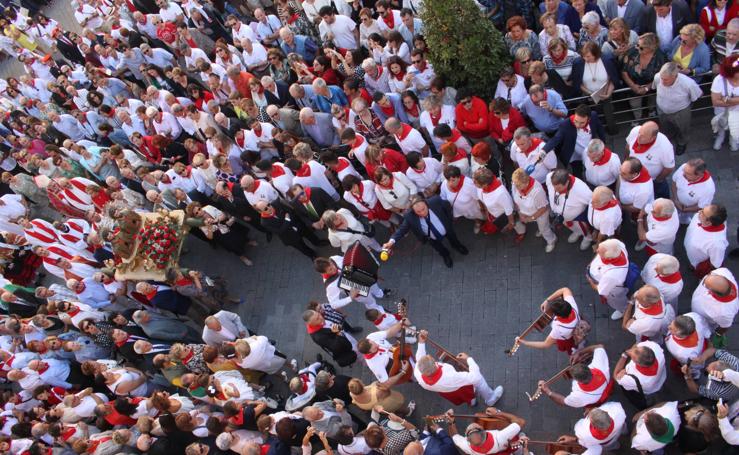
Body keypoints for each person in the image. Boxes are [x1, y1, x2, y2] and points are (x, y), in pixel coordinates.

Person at [414, 329, 503, 406]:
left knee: (464, 397)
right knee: (478, 381)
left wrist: (421, 342)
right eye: (432, 359)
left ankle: (472, 402)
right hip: (457, 385)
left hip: (446, 391)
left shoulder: (418, 371)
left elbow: (419, 359)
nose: (429, 355)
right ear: (435, 365)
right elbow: (475, 377)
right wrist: (468, 359)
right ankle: (490, 398)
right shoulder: (449, 376)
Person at [383, 195, 469, 268]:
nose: (422, 213)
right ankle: (446, 255)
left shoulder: (436, 201)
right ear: (413, 211)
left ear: (426, 204)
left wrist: (449, 221)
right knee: (439, 248)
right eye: (418, 212)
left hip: (447, 229)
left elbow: (447, 207)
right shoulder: (409, 217)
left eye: (423, 209)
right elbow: (401, 230)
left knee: (453, 238)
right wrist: (391, 242)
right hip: (431, 238)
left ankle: (457, 246)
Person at [537, 344, 612, 408]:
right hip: (606, 384)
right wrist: (579, 353)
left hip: (596, 400)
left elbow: (563, 401)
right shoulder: (599, 366)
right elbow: (600, 347)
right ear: (588, 368)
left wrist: (547, 391)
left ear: (577, 380)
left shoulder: (579, 396)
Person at [544, 104, 606, 179]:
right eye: (576, 121)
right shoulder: (565, 124)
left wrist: (603, 146)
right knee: (578, 175)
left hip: (590, 152)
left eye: (582, 123)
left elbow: (600, 130)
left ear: (588, 119)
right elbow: (556, 139)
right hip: (575, 155)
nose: (577, 125)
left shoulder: (593, 116)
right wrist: (543, 151)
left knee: (594, 171)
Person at [654, 62, 703, 155]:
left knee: (683, 129)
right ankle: (667, 138)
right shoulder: (657, 77)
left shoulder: (688, 83)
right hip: (662, 110)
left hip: (680, 111)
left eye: (666, 80)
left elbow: (698, 94)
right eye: (662, 78)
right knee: (665, 127)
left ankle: (682, 143)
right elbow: (655, 86)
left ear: (675, 76)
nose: (662, 82)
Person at [515, 287, 582, 354]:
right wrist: (547, 301)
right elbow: (565, 289)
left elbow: (545, 344)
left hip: (567, 339)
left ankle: (575, 353)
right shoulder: (572, 305)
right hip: (575, 327)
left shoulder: (558, 329)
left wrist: (525, 342)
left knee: (570, 349)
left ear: (558, 316)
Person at [546, 169, 594, 250]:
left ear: (567, 182)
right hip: (562, 217)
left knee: (583, 228)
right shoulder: (549, 177)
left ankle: (588, 238)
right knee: (573, 227)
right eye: (554, 187)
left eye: (559, 188)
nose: (556, 190)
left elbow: (593, 203)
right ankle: (577, 233)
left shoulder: (582, 190)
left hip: (578, 218)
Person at [447, 408, 526, 455]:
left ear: (467, 439)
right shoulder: (500, 436)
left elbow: (454, 436)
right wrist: (497, 413)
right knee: (517, 445)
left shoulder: (466, 447)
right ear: (483, 429)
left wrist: (451, 422)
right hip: (506, 444)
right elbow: (521, 422)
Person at [587, 238, 632, 319]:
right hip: (607, 281)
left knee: (616, 300)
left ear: (609, 259)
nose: (597, 251)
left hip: (612, 290)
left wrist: (590, 280)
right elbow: (598, 255)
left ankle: (622, 309)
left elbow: (601, 290)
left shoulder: (612, 275)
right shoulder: (617, 245)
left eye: (600, 252)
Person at [683, 203, 729, 277]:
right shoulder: (699, 216)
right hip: (693, 257)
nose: (699, 211)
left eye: (703, 213)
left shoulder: (716, 244)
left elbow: (715, 264)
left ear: (709, 222)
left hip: (699, 262)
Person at [690, 267, 738, 333]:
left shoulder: (724, 312)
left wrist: (718, 335)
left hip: (705, 320)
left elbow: (724, 326)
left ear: (713, 292)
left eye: (705, 285)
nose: (703, 281)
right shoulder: (722, 272)